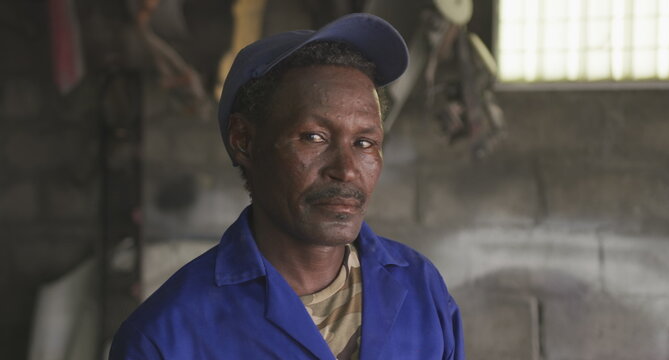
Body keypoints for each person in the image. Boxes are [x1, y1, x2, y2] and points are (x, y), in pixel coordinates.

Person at [110, 13, 465, 360]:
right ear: (244, 141)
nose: (346, 170)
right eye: (314, 137)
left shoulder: (420, 287)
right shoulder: (166, 337)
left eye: (364, 143)